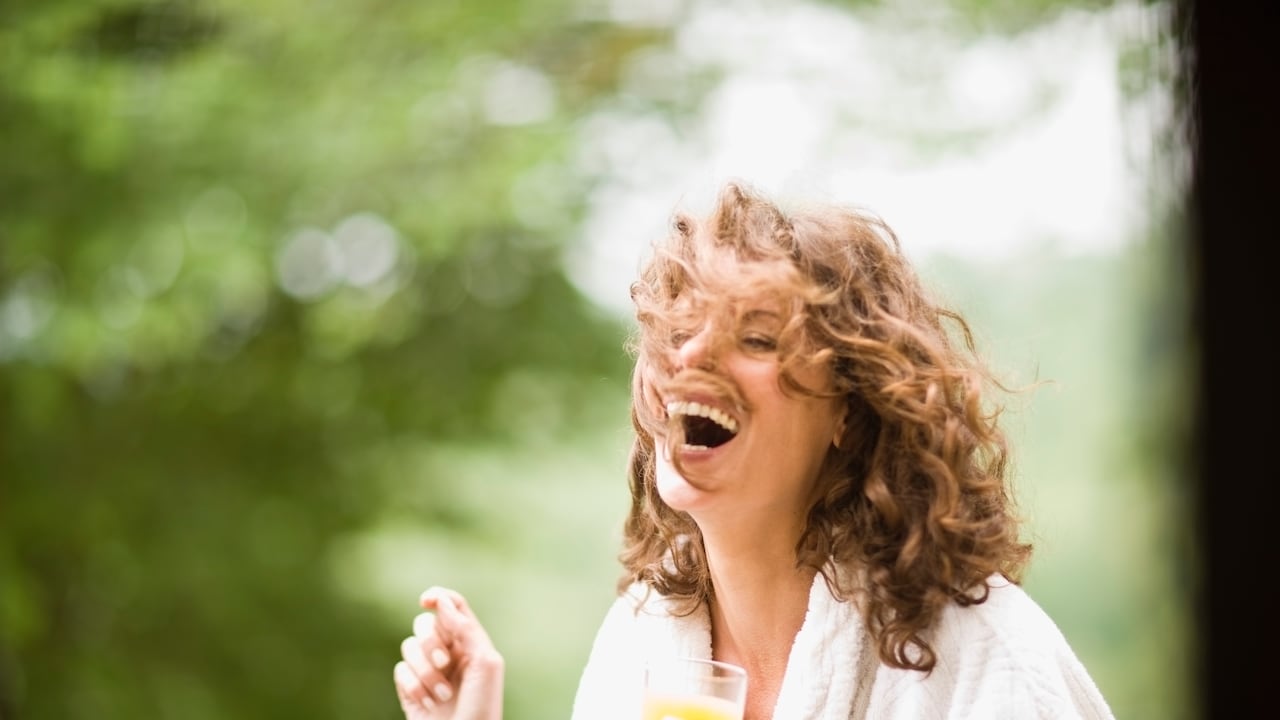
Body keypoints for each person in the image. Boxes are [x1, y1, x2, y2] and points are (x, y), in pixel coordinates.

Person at [393, 181, 1116, 719]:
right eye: (676, 333)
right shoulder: (641, 645)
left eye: (757, 339)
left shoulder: (982, 653)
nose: (692, 357)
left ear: (850, 410)